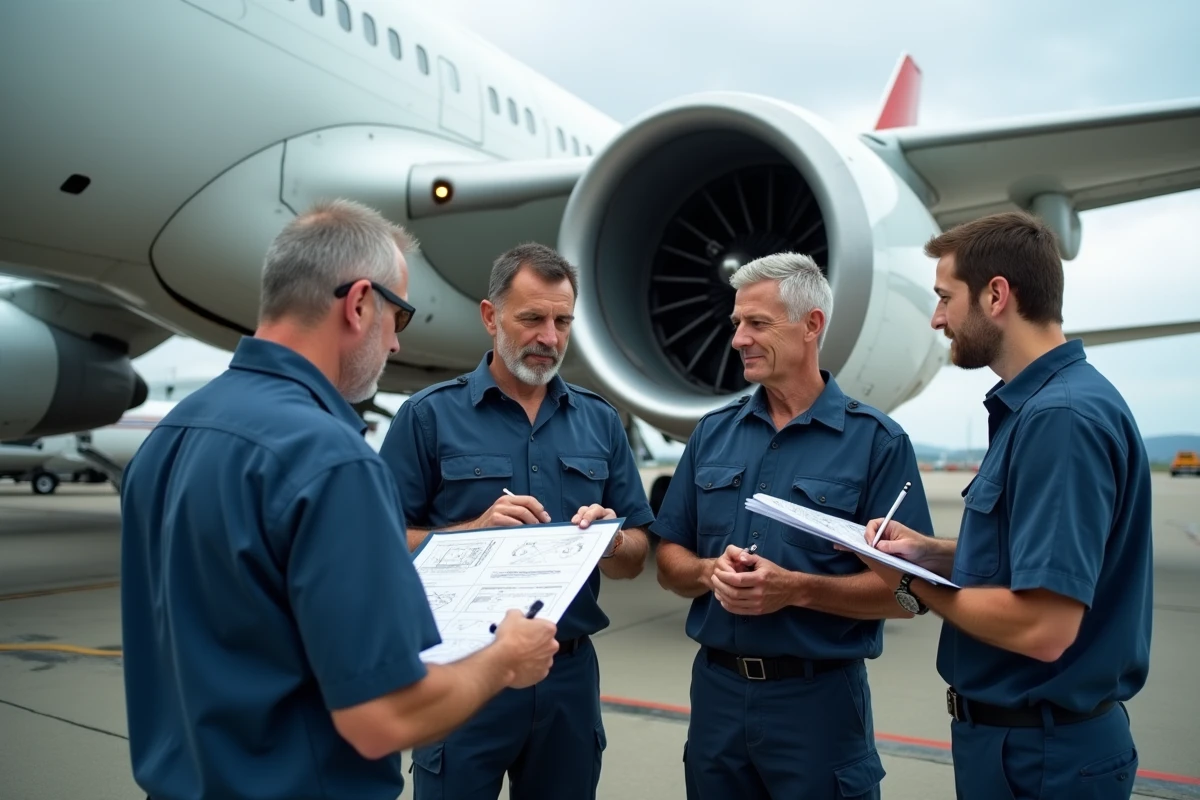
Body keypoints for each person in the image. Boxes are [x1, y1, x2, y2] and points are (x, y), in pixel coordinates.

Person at [119, 199, 559, 800]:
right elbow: (383, 717)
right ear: (358, 304)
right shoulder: (331, 459)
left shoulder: (171, 435)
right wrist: (506, 657)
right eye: (398, 318)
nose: (396, 347)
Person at [854, 210, 1152, 799]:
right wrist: (931, 553)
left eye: (945, 297)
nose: (938, 318)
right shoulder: (1049, 406)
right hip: (1029, 747)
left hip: (1043, 759)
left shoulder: (1058, 419)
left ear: (996, 295)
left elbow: (1044, 627)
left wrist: (910, 585)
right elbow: (1033, 559)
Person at [378, 242, 655, 800]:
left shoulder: (600, 423)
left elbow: (637, 555)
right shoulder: (427, 417)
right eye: (531, 318)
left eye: (561, 321)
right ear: (490, 316)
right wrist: (471, 533)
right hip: (463, 674)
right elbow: (376, 548)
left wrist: (610, 540)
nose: (548, 337)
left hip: (566, 677)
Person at [652, 252, 934, 800]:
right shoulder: (711, 435)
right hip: (717, 699)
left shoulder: (876, 442)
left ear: (812, 326)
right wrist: (710, 571)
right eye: (737, 324)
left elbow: (909, 593)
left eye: (757, 323)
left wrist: (796, 590)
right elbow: (668, 560)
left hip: (820, 705)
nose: (738, 339)